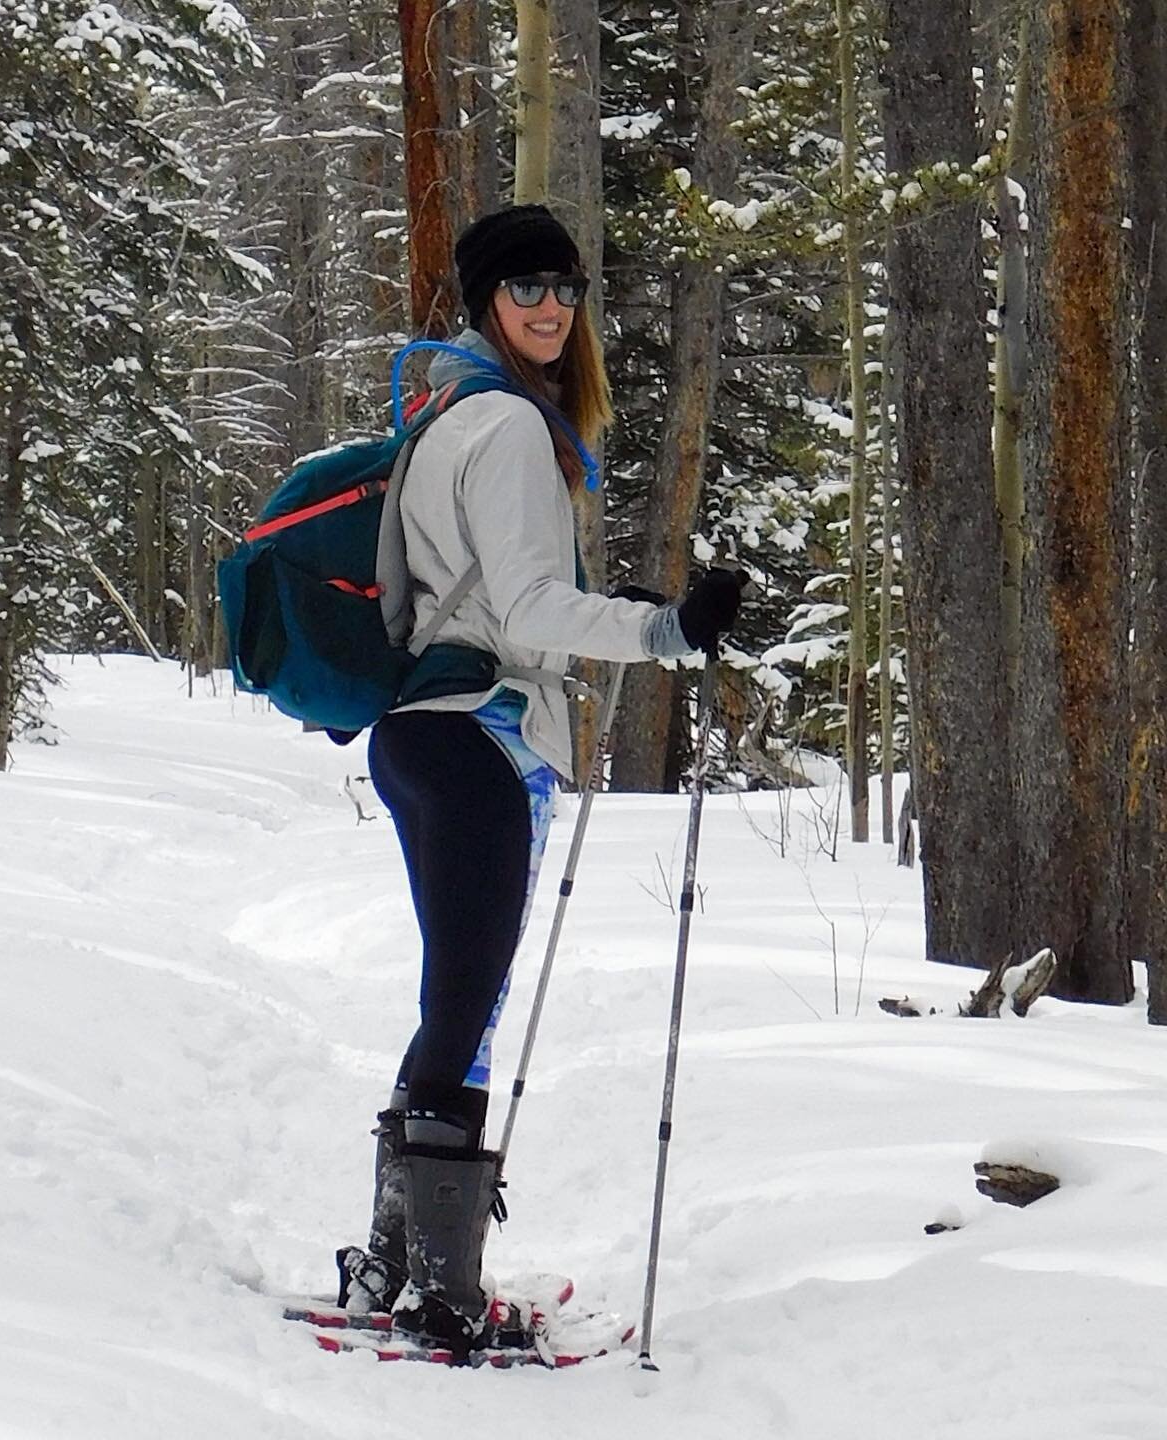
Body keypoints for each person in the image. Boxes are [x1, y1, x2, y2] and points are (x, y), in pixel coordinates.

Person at [333, 204, 743, 1357]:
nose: (551, 305)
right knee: (465, 1004)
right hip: (476, 739)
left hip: (424, 735)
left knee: (455, 1001)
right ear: (484, 305)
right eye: (524, 288)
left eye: (563, 285)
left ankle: (403, 1267)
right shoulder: (507, 425)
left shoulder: (451, 412)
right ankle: (443, 1300)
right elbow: (527, 611)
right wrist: (667, 632)